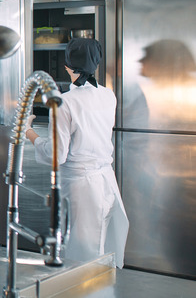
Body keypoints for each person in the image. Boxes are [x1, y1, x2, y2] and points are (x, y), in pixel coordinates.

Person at [24, 38, 129, 267]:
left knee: (82, 260)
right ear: (96, 64)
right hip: (106, 182)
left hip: (82, 187)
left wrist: (29, 132)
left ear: (67, 67)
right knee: (101, 253)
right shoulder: (108, 95)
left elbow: (56, 155)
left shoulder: (63, 103)